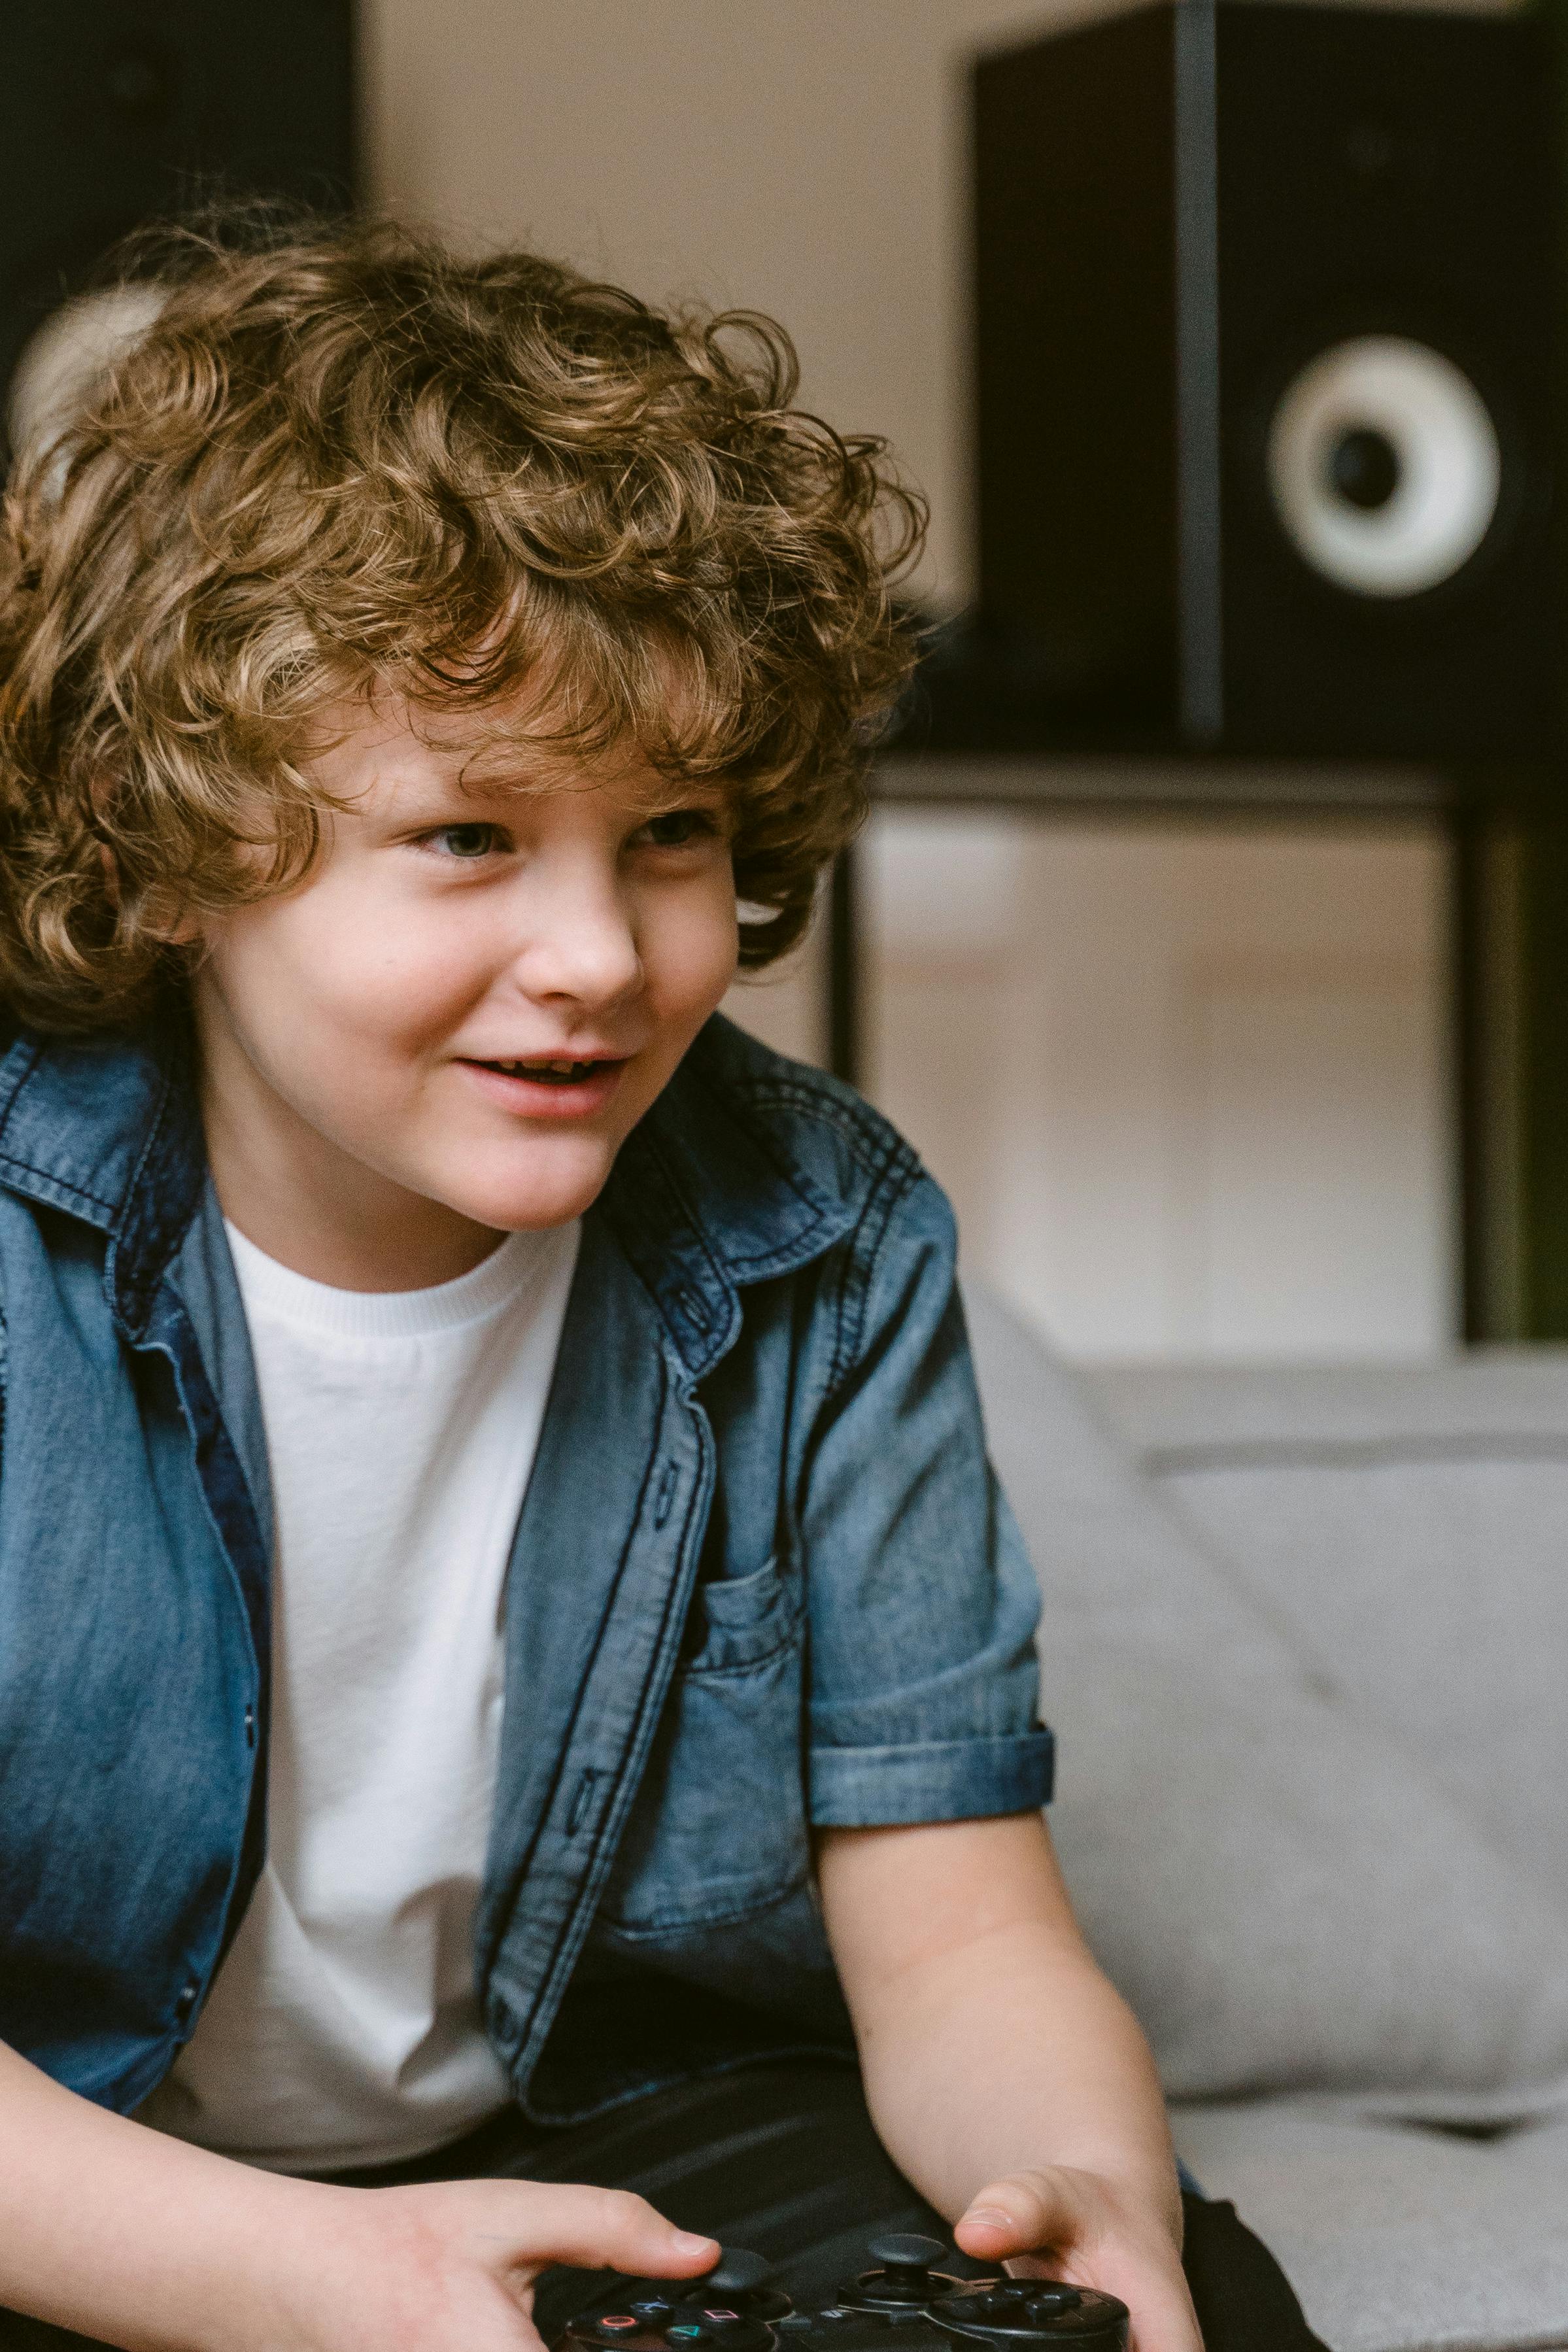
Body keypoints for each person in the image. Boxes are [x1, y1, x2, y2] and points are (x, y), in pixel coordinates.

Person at [0, 218, 1326, 2352]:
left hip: (593, 2120)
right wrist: (326, 2289)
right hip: (65, 2165)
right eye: (466, 837)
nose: (602, 959)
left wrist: (1084, 2203)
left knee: (1180, 2298)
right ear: (177, 848)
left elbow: (962, 1945)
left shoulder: (825, 1231)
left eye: (675, 831)